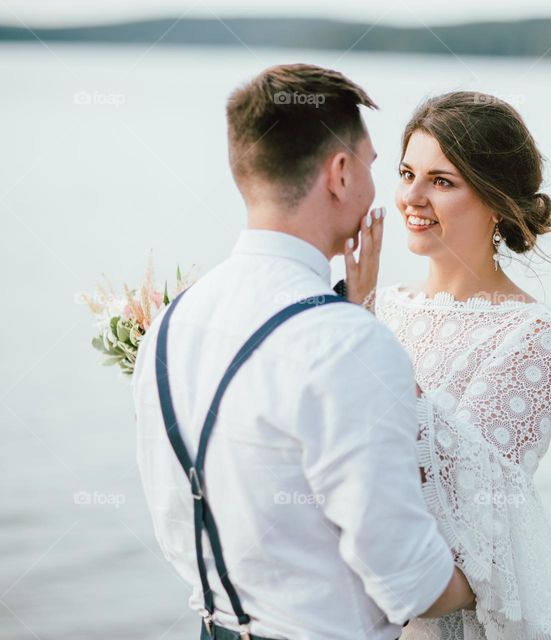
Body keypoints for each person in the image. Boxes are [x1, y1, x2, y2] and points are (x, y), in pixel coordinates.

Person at [132, 64, 474, 640]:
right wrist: (495, 576)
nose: (378, 184)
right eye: (371, 163)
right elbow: (409, 581)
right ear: (339, 174)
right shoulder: (347, 343)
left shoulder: (170, 324)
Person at [346, 92, 551, 639]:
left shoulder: (535, 334)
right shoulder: (379, 307)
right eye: (407, 173)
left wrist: (356, 337)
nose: (412, 197)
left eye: (442, 182)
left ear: (495, 200)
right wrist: (350, 317)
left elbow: (472, 510)